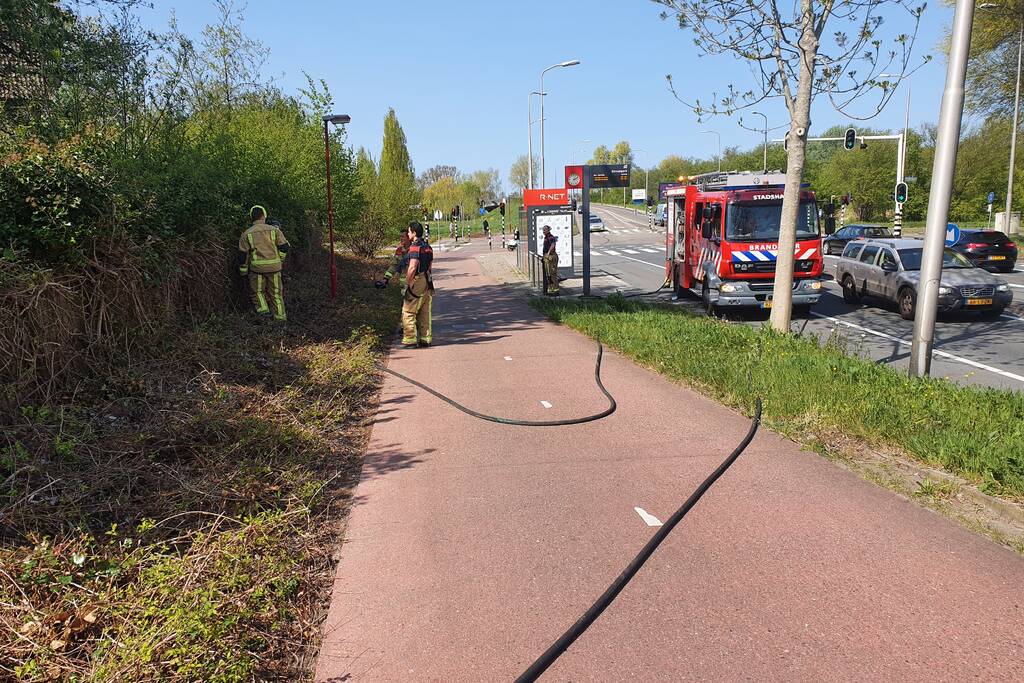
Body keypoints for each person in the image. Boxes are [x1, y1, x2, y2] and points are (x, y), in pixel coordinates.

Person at [238, 205, 289, 321]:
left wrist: (243, 271)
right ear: (264, 216)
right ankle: (280, 319)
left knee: (258, 292)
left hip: (257, 270)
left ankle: (264, 316)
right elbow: (285, 247)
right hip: (275, 269)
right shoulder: (274, 230)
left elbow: (242, 256)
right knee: (276, 295)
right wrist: (280, 260)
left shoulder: (246, 234)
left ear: (252, 217)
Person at [402, 221, 434, 348]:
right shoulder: (428, 247)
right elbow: (430, 266)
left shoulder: (415, 247)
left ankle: (409, 340)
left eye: (409, 232)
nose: (408, 234)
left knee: (408, 310)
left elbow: (412, 267)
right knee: (424, 311)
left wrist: (408, 284)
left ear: (414, 233)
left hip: (418, 280)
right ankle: (425, 339)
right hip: (427, 280)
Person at [542, 225, 559, 296]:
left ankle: (555, 291)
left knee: (552, 274)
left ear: (548, 230)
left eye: (545, 230)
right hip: (547, 256)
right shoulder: (546, 237)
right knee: (548, 274)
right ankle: (551, 290)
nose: (543, 231)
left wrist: (548, 253)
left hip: (551, 256)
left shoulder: (550, 236)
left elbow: (553, 244)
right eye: (543, 230)